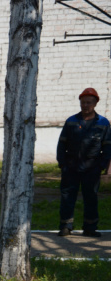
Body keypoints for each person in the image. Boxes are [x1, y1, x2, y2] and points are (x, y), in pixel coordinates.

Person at [56, 87, 111, 238]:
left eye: (89, 102)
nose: (85, 105)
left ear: (95, 104)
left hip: (92, 168)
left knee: (91, 198)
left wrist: (101, 166)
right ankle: (66, 226)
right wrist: (62, 163)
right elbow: (62, 144)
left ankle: (90, 227)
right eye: (83, 102)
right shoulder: (71, 121)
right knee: (67, 197)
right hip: (71, 167)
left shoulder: (103, 123)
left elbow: (107, 147)